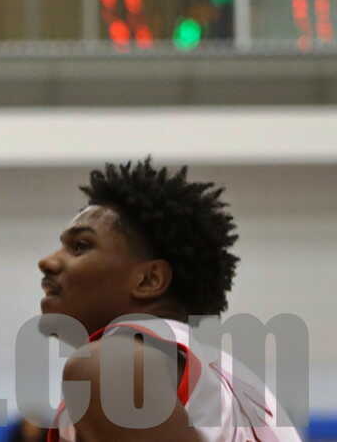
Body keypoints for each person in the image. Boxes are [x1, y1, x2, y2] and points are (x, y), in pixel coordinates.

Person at [37, 159, 303, 441]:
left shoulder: (110, 365)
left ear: (149, 280)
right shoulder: (234, 380)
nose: (48, 261)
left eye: (80, 246)